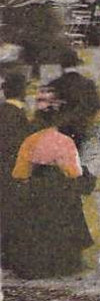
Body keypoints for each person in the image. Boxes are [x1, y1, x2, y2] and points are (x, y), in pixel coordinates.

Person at [8, 83, 96, 278]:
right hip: (61, 200)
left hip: (35, 198)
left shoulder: (29, 142)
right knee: (71, 202)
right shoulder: (64, 142)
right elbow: (75, 174)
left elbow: (20, 174)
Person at [1, 70, 36, 272]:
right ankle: (13, 257)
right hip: (14, 172)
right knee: (16, 214)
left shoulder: (4, 112)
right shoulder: (18, 117)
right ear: (23, 91)